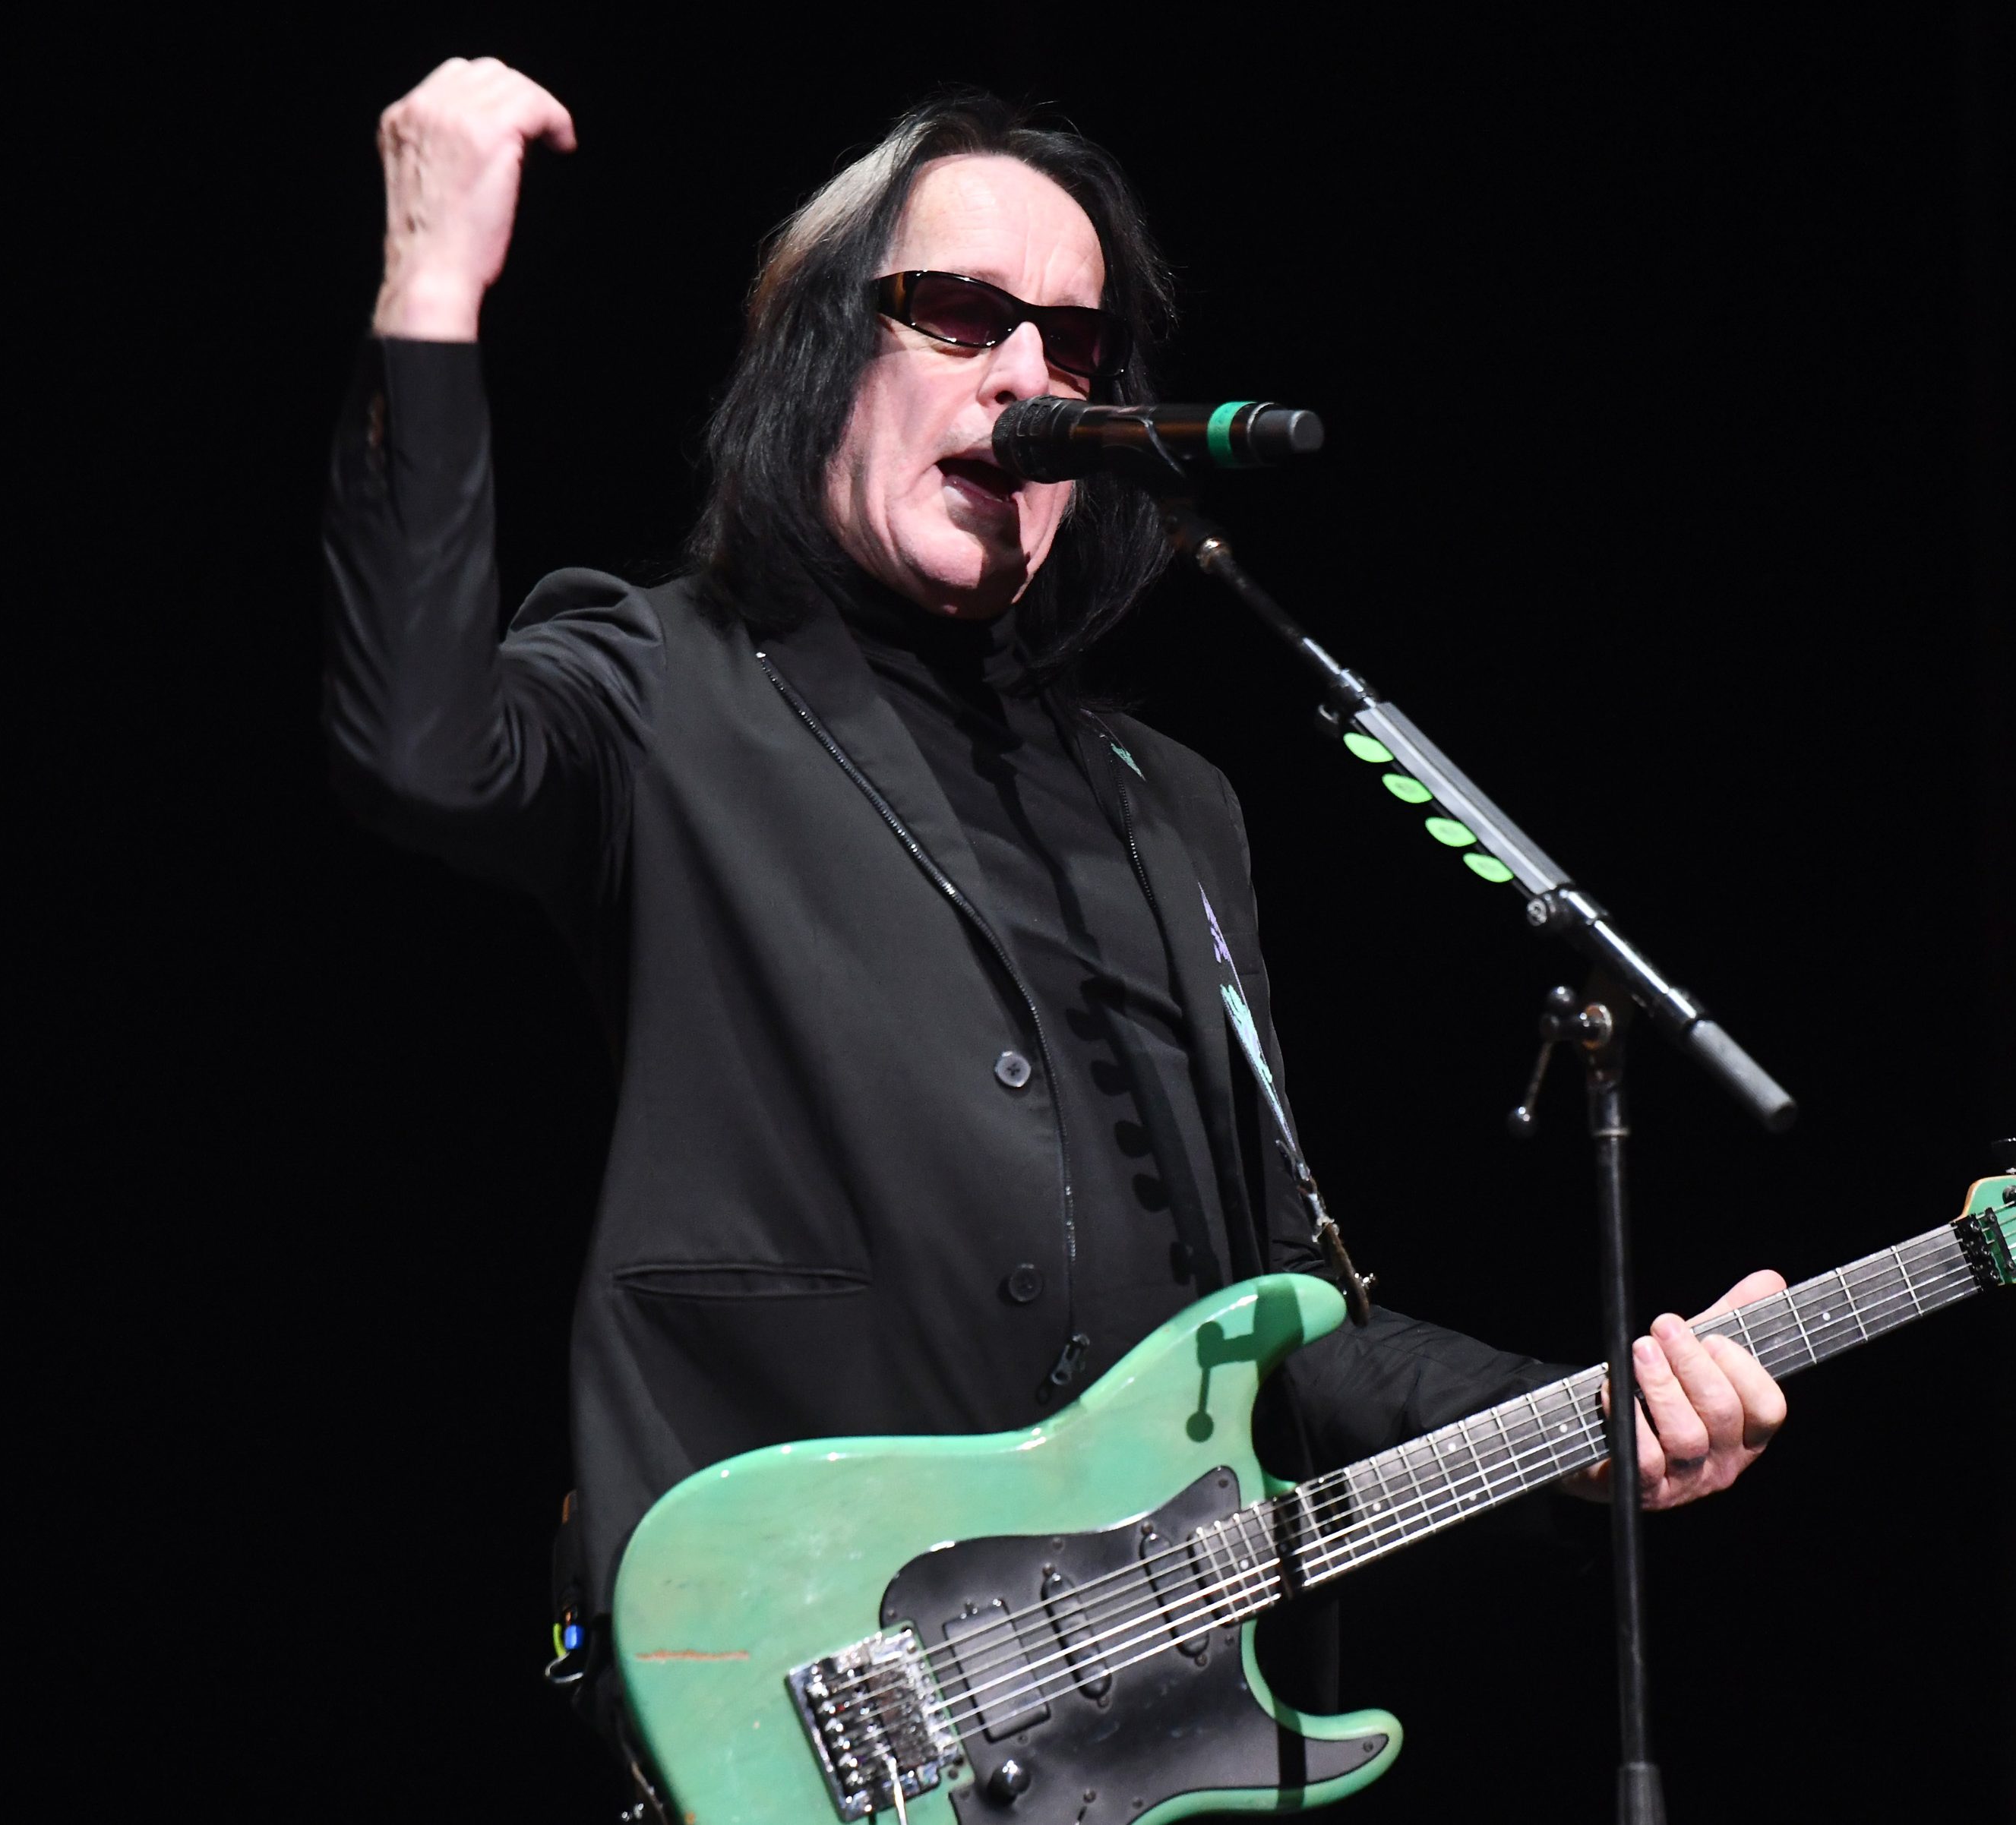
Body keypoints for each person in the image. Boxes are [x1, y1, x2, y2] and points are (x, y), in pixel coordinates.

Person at [324, 55, 1790, 1793]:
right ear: (822, 356)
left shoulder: (1169, 809)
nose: (1028, 377)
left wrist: (1577, 1426)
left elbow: (1282, 1322)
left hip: (1125, 1750)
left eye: (1075, 347)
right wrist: (429, 285)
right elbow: (418, 750)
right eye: (957, 314)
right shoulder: (668, 692)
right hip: (801, 1706)